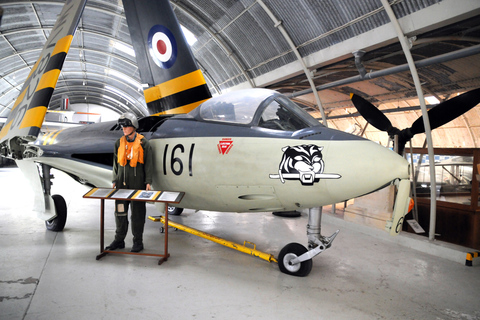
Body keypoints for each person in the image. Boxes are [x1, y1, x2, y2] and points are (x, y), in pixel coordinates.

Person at [106, 112, 153, 253]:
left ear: (133, 126)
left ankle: (138, 241)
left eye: (126, 126)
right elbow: (115, 164)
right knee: (120, 213)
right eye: (122, 126)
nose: (124, 129)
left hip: (137, 184)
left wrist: (148, 182)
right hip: (121, 185)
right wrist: (114, 179)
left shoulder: (144, 144)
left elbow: (149, 165)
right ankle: (119, 240)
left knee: (137, 214)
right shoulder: (118, 143)